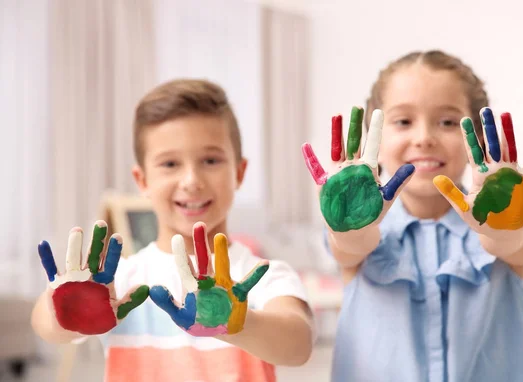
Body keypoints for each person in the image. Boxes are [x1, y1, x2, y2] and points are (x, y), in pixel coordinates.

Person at [32, 79, 314, 382]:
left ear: (240, 172)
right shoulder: (121, 283)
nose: (191, 180)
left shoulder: (262, 276)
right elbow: (45, 326)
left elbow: (298, 344)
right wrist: (68, 311)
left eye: (210, 160)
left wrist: (235, 322)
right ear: (142, 181)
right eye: (170, 164)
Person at [302, 50, 523, 382]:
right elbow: (350, 245)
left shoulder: (508, 217)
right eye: (403, 121)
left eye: (447, 122)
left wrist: (503, 225)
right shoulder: (365, 230)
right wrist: (350, 224)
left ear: (476, 135)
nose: (424, 138)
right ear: (375, 133)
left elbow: (511, 241)